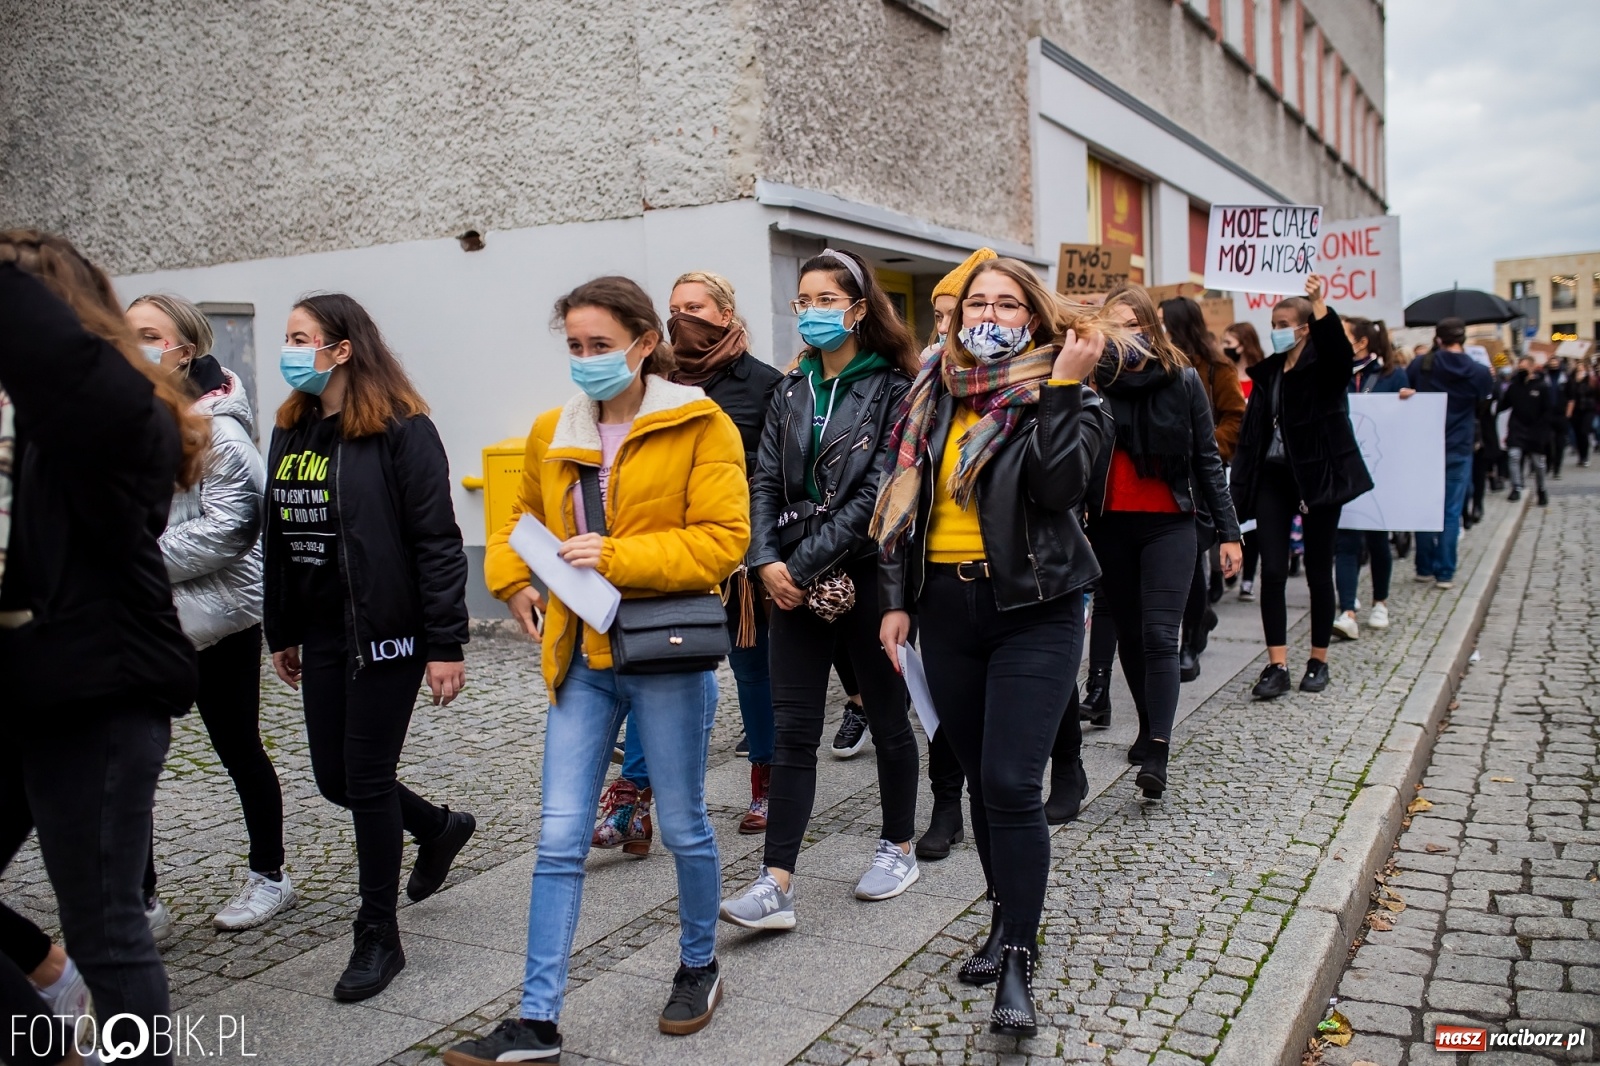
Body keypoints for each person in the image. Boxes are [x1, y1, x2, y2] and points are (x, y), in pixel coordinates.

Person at [453, 276, 749, 1062]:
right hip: (580, 656)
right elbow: (518, 519)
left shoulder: (700, 422)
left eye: (601, 345)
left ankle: (698, 965)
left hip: (664, 654)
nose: (586, 359)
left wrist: (617, 556)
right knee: (559, 839)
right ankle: (537, 1020)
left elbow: (723, 540)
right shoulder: (554, 428)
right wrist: (512, 581)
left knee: (683, 824)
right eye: (576, 346)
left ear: (644, 344)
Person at [871, 257, 1111, 1036]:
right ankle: (1003, 918)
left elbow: (1059, 488)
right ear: (957, 313)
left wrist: (1065, 389)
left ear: (1034, 319)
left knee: (1011, 781)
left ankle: (1018, 958)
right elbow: (905, 504)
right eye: (979, 302)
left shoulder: (1070, 395)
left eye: (1009, 304)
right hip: (945, 611)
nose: (991, 315)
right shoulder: (933, 390)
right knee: (979, 780)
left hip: (1034, 609)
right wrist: (896, 602)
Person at [0, 229, 211, 1066]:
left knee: (106, 926)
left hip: (97, 692)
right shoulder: (47, 417)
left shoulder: (114, 409)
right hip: (29, 687)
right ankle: (48, 1015)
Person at [265, 293, 475, 1002]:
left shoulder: (402, 428)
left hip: (387, 630)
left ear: (343, 348)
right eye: (288, 338)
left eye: (302, 338)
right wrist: (281, 628)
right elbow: (280, 537)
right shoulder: (292, 429)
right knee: (335, 779)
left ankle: (378, 933)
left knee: (366, 774)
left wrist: (446, 642)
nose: (291, 350)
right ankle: (439, 828)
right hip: (322, 631)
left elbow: (438, 540)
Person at [719, 248, 922, 932]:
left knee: (887, 716)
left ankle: (898, 846)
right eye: (803, 301)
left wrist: (797, 565)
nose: (812, 312)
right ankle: (775, 880)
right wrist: (763, 559)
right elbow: (763, 480)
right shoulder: (790, 389)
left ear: (858, 309)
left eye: (826, 300)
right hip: (787, 579)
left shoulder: (894, 389)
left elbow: (877, 493)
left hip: (863, 574)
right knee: (794, 729)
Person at [589, 271, 781, 851]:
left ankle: (767, 782)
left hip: (736, 555)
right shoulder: (655, 384)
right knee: (654, 666)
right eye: (675, 309)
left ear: (725, 314)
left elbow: (774, 473)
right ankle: (635, 800)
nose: (682, 318)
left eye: (695, 307)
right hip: (665, 556)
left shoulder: (765, 384)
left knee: (752, 671)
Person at [125, 293, 293, 936]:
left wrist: (130, 559)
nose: (135, 345)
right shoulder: (125, 420)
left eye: (150, 335)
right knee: (130, 762)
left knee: (238, 748)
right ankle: (141, 901)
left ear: (184, 350)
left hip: (216, 618)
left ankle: (270, 876)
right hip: (143, 617)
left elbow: (233, 528)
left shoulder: (219, 429)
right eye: (127, 333)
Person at [1088, 286, 1241, 792]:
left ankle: (1158, 746)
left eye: (1134, 325)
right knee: (1130, 635)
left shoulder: (1184, 378)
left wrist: (1229, 534)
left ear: (1151, 328)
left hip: (1171, 524)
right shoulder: (1092, 379)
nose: (1125, 334)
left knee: (1159, 635)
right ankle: (1147, 723)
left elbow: (1207, 460)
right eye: (1115, 325)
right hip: (1109, 525)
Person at [1231, 276, 1373, 699]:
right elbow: (1253, 435)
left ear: (1304, 328)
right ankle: (1277, 665)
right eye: (1273, 323)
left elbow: (1340, 355)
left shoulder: (1324, 368)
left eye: (1284, 324)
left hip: (1316, 477)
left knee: (1317, 569)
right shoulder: (1269, 373)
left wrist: (1319, 302)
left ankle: (1318, 660)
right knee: (1273, 569)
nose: (1276, 330)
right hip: (1274, 477)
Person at [916, 247, 994, 860]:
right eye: (940, 316)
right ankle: (947, 805)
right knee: (943, 704)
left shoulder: (1037, 382)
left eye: (954, 314)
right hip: (939, 579)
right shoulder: (927, 385)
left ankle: (1066, 764)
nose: (945, 329)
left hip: (1015, 580)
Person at [1159, 297, 1244, 683]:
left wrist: (1203, 444)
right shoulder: (1153, 364)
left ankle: (1191, 640)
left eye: (1163, 321)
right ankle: (1196, 621)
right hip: (1161, 476)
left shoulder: (1215, 368)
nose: (1157, 328)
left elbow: (1235, 419)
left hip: (1199, 478)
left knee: (1192, 562)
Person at [1331, 317, 1407, 642]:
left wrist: (1409, 401)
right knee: (1346, 541)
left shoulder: (1392, 376)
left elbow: (1403, 424)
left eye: (1343, 334)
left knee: (1377, 540)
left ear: (1361, 342)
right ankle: (1348, 610)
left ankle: (1380, 602)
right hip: (1345, 471)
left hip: (1380, 473)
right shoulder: (1336, 374)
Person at [1405, 317, 1494, 585]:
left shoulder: (1421, 365)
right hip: (1459, 446)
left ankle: (1423, 567)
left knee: (1423, 507)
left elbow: (1406, 391)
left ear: (1438, 339)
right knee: (1451, 511)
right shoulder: (1479, 371)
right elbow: (1484, 405)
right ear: (1463, 338)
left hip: (1425, 445)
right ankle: (1445, 572)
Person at [1223, 323, 1266, 601]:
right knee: (1231, 514)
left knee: (1253, 521)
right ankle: (1230, 566)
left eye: (1229, 342)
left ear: (1244, 344)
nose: (1224, 347)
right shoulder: (1225, 373)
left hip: (1254, 456)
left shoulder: (1261, 375)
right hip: (1231, 454)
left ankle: (1248, 576)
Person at [1500, 354, 1556, 508]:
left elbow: (1548, 410)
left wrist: (1543, 431)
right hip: (1517, 428)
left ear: (1532, 368)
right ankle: (1516, 487)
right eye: (1519, 368)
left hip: (1536, 430)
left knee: (1538, 463)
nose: (1521, 370)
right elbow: (1504, 404)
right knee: (1514, 456)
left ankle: (1541, 489)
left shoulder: (1542, 386)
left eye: (1524, 368)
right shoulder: (1514, 387)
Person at [1563, 359, 1594, 468]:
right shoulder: (1571, 381)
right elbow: (1569, 395)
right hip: (1575, 411)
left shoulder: (1590, 380)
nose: (1580, 371)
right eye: (1578, 369)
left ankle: (1585, 456)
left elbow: (1593, 393)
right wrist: (1576, 382)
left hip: (1588, 410)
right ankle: (1580, 456)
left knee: (1584, 432)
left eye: (1582, 369)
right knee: (1577, 434)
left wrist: (1583, 382)